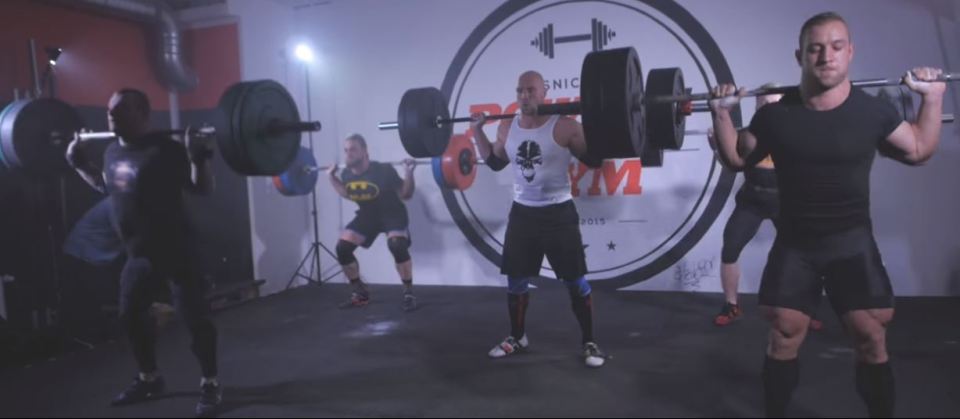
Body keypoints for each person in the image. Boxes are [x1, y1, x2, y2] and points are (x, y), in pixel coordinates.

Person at [709, 12, 946, 418]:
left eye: (836, 47)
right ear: (799, 55)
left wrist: (933, 96)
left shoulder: (872, 113)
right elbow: (734, 157)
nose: (826, 56)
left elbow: (920, 149)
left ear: (850, 52)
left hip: (851, 242)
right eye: (816, 48)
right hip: (796, 243)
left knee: (870, 337)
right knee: (784, 334)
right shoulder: (775, 116)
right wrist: (721, 111)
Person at [65, 88, 221, 417]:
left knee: (196, 322)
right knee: (129, 316)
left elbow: (202, 189)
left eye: (120, 111)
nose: (111, 116)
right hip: (140, 256)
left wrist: (198, 159)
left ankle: (210, 383)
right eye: (110, 111)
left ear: (143, 114)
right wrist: (79, 164)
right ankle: (150, 378)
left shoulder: (166, 151)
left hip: (179, 250)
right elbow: (107, 187)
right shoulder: (110, 152)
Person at [472, 70, 607, 368]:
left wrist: (599, 124)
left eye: (531, 90)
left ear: (544, 92)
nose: (524, 96)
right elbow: (494, 162)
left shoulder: (566, 127)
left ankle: (589, 342)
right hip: (523, 214)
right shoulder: (507, 127)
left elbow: (595, 159)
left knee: (575, 280)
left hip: (559, 213)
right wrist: (477, 131)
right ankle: (517, 337)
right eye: (520, 90)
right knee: (516, 279)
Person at [327, 134, 418, 311]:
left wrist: (409, 173)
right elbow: (347, 193)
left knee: (397, 245)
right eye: (346, 150)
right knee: (342, 248)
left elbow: (405, 194)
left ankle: (408, 293)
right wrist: (332, 178)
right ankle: (360, 292)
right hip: (368, 215)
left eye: (353, 149)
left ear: (365, 151)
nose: (348, 154)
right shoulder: (346, 173)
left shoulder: (383, 170)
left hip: (392, 213)